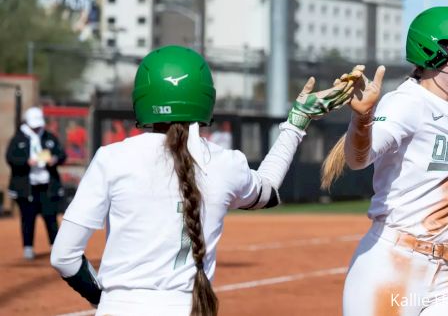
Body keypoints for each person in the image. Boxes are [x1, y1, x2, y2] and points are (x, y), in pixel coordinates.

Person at [50, 45, 353, 315]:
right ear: (206, 97)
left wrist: (103, 300)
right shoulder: (225, 163)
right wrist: (297, 121)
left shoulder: (110, 158)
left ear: (141, 96)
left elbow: (64, 257)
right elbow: (269, 190)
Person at [322, 6, 448, 316]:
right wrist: (362, 119)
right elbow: (359, 158)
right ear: (430, 50)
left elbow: (433, 169)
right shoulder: (406, 103)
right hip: (394, 263)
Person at [5, 107, 67, 260]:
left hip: (47, 184)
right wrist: (26, 162)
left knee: (50, 216)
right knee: (28, 217)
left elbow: (61, 154)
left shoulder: (49, 137)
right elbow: (10, 158)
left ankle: (55, 246)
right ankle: (28, 247)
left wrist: (54, 159)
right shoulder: (18, 138)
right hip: (27, 186)